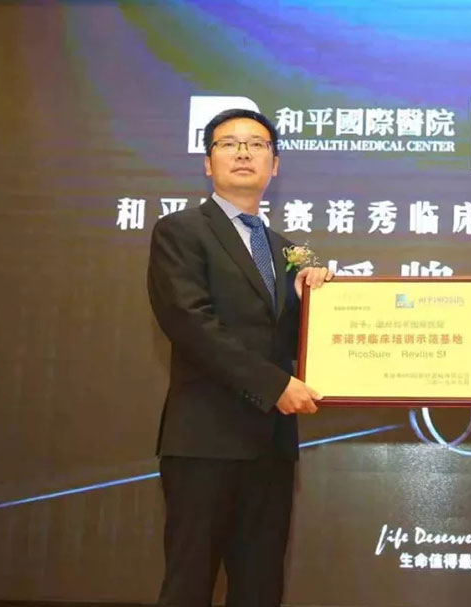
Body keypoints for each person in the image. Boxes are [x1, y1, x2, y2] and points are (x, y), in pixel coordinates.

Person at [147, 108, 331, 607]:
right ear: (208, 163)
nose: (244, 152)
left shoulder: (288, 251)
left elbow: (291, 342)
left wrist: (315, 304)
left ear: (275, 165)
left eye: (257, 144)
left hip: (271, 445)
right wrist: (274, 386)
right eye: (229, 143)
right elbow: (190, 323)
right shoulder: (181, 231)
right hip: (205, 440)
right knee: (189, 583)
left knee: (260, 586)